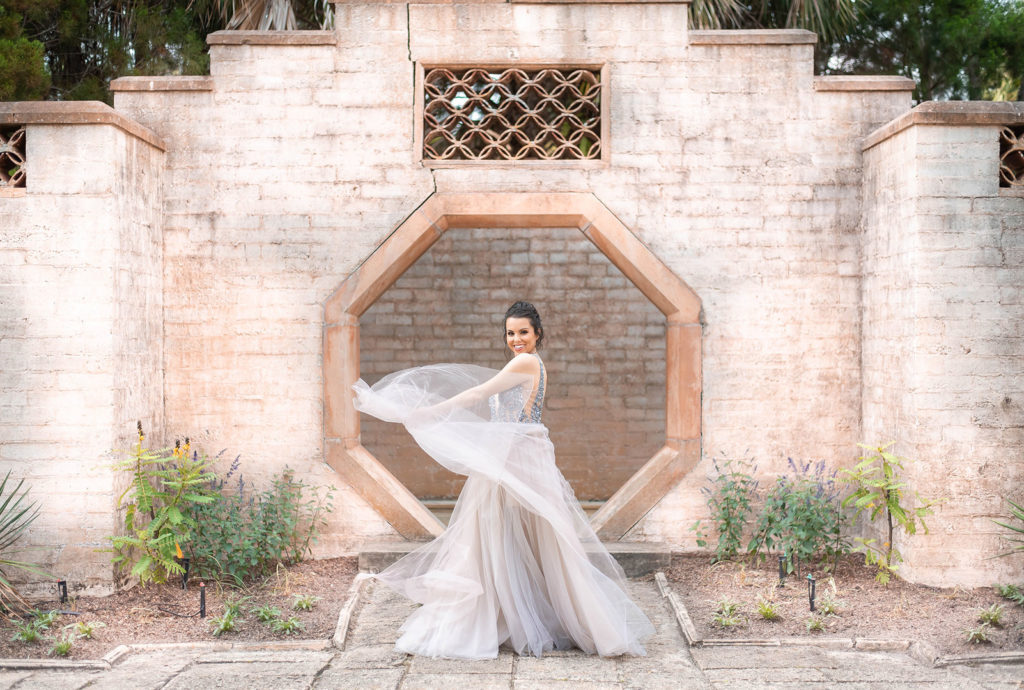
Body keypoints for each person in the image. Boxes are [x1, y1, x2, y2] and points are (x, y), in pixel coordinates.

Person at [352, 301, 654, 660]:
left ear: (538, 334)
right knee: (508, 536)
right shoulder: (521, 363)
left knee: (507, 535)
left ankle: (519, 616)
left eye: (523, 332)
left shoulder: (526, 362)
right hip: (512, 456)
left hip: (517, 459)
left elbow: (478, 393)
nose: (516, 339)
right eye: (510, 333)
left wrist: (429, 412)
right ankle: (518, 615)